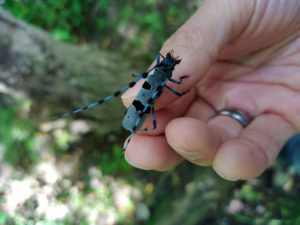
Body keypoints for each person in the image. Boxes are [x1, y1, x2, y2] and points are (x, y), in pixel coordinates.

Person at [121, 0, 300, 181]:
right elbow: (170, 84)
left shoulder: (162, 76)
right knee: (155, 111)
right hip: (149, 97)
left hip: (151, 94)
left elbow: (168, 82)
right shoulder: (165, 78)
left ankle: (287, 150)